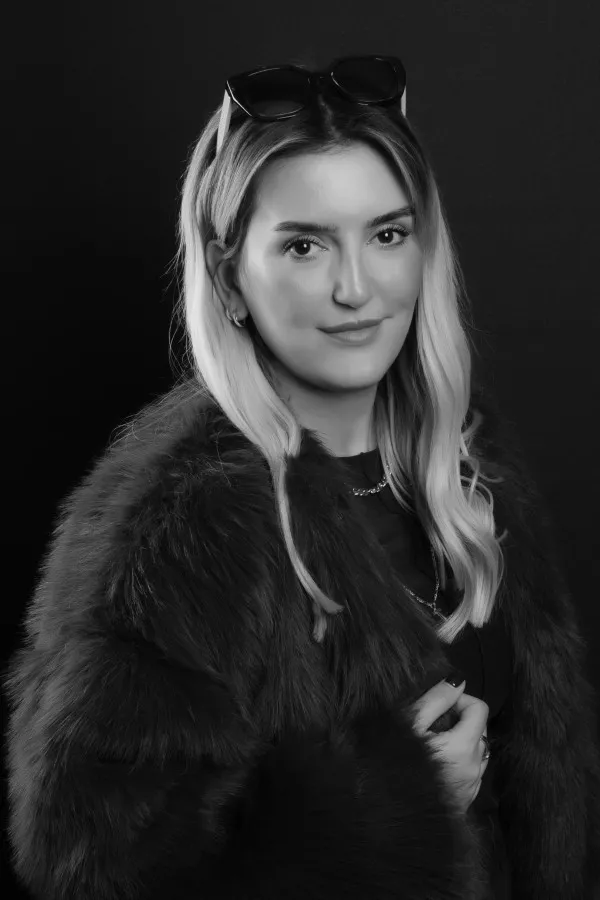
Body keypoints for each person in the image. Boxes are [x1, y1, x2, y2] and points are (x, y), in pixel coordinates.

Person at [2, 53, 599, 900]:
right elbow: (85, 861)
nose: (356, 288)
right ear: (229, 278)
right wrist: (390, 807)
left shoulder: (464, 461)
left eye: (387, 235)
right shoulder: (185, 521)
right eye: (305, 245)